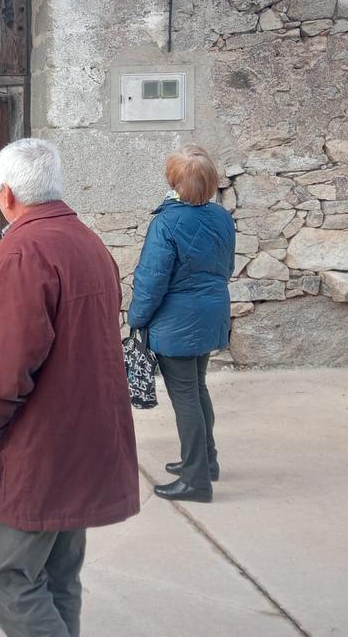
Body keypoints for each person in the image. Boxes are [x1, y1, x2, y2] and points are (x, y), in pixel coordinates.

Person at [0, 138, 140, 637]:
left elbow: (4, 367)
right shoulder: (85, 240)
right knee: (57, 574)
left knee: (7, 574)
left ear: (5, 194)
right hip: (82, 438)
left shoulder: (25, 250)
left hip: (38, 447)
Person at [128, 144, 235, 504]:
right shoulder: (222, 218)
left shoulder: (167, 222)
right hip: (211, 313)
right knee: (198, 387)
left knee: (186, 396)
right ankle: (207, 461)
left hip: (177, 321)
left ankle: (195, 479)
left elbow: (151, 278)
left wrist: (137, 319)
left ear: (174, 180)